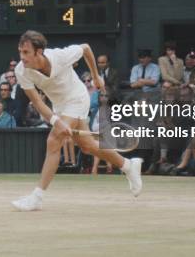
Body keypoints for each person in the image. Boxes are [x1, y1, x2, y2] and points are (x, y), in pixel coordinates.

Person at [11, 30, 143, 211]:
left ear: (39, 51)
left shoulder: (60, 56)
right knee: (87, 146)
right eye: (20, 52)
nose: (22, 57)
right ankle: (128, 165)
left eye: (26, 52)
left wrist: (96, 76)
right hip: (59, 105)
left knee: (53, 140)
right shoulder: (21, 70)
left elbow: (86, 48)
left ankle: (37, 197)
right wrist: (56, 120)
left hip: (77, 98)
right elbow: (37, 102)